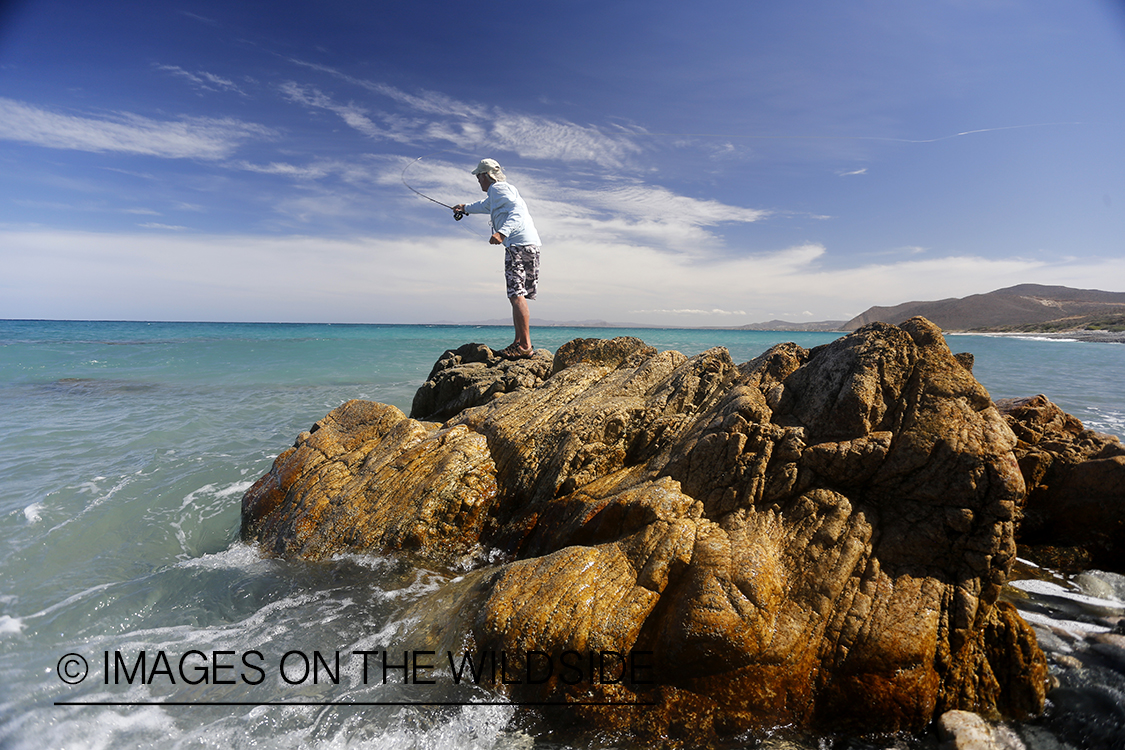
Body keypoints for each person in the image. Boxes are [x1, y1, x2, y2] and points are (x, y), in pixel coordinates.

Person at [453, 158, 541, 359]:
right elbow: (485, 206)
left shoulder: (498, 189)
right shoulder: (502, 191)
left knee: (515, 293)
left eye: (478, 176)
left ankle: (525, 345)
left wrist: (501, 232)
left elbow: (517, 213)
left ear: (486, 175)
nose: (477, 180)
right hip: (529, 244)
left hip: (518, 245)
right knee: (517, 294)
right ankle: (519, 342)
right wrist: (464, 207)